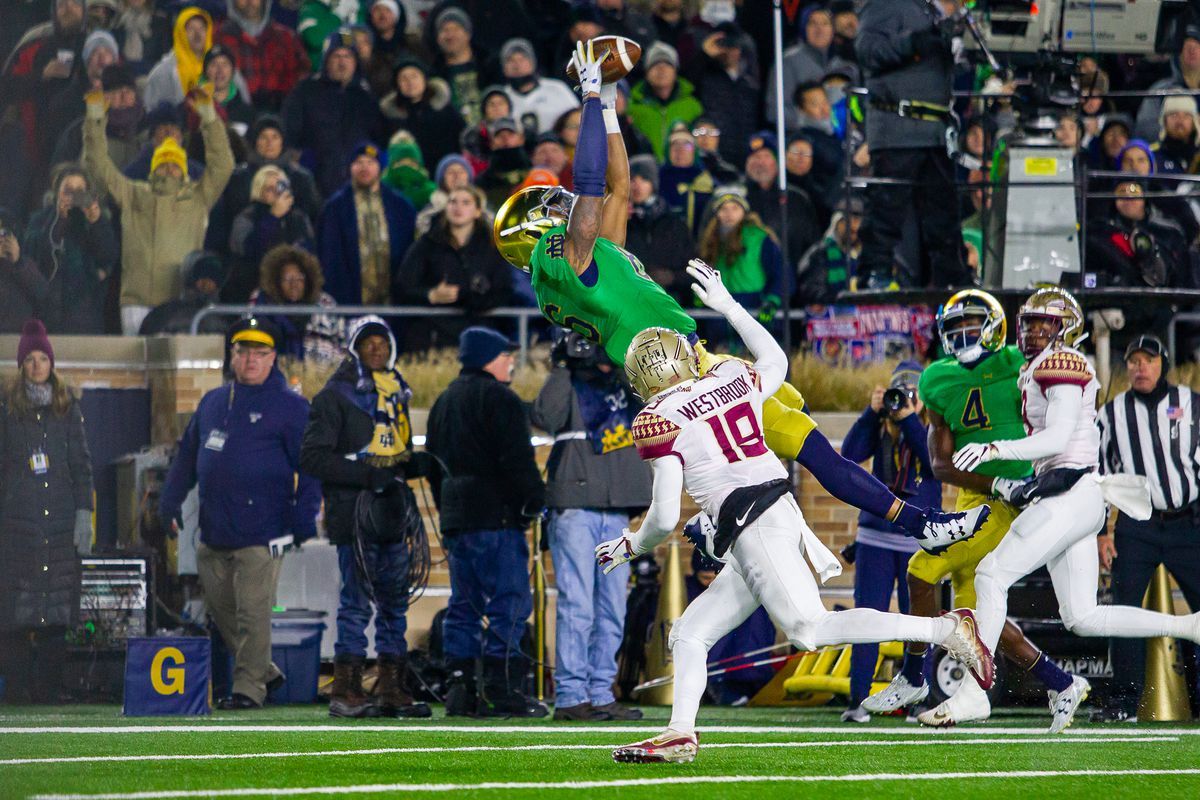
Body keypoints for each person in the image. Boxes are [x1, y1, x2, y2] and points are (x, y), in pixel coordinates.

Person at [493, 41, 987, 560]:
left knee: (807, 440)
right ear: (535, 235)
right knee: (795, 446)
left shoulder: (582, 262)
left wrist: (612, 102)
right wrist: (590, 98)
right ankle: (721, 530)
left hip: (696, 364)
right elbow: (591, 185)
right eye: (549, 207)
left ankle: (920, 524)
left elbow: (616, 188)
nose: (563, 205)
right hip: (686, 381)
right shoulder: (565, 260)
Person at [600, 261, 994, 764]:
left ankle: (945, 630)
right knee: (691, 633)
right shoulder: (727, 375)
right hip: (764, 516)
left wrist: (631, 544)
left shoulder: (657, 417)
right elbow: (775, 360)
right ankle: (680, 732)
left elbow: (661, 515)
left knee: (809, 629)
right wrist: (727, 306)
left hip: (756, 522)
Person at [950, 287, 1200, 733]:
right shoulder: (1036, 366)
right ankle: (1189, 626)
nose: (1031, 331)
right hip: (1075, 493)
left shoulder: (1060, 362)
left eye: (1043, 323)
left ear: (1065, 328)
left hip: (1072, 490)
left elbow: (1058, 438)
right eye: (1027, 322)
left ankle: (973, 692)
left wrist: (994, 448)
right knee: (1082, 616)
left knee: (991, 575)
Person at [864, 290, 1081, 730]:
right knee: (979, 622)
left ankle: (913, 676)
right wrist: (992, 480)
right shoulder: (937, 379)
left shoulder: (1020, 363)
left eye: (972, 324)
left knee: (920, 572)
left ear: (996, 325)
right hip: (974, 497)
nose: (963, 334)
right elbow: (941, 464)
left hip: (1012, 498)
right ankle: (1062, 682)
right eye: (954, 328)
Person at [159, 317, 321, 710]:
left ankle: (249, 689)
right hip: (214, 530)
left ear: (273, 359)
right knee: (219, 609)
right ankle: (264, 669)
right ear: (232, 356)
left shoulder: (292, 407)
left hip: (265, 532)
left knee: (253, 612)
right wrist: (169, 501)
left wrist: (304, 517)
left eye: (260, 353)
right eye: (243, 351)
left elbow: (312, 465)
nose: (250, 360)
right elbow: (186, 457)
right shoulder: (214, 402)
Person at [300, 315, 433, 719]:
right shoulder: (333, 397)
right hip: (353, 516)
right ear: (354, 348)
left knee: (394, 601)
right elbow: (312, 457)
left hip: (391, 512)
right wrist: (366, 475)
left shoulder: (397, 394)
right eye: (368, 342)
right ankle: (347, 688)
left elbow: (396, 453)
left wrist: (410, 467)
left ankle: (391, 686)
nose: (376, 349)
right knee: (356, 603)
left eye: (382, 343)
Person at [425, 326, 548, 718]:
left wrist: (449, 512)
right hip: (496, 517)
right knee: (509, 603)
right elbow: (517, 462)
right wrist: (534, 501)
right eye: (504, 355)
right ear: (486, 359)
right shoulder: (502, 400)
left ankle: (459, 688)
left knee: (463, 603)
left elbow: (432, 466)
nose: (511, 361)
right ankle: (502, 687)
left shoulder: (443, 402)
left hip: (457, 518)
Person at [531, 332, 651, 722]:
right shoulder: (568, 382)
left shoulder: (627, 385)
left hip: (616, 512)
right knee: (577, 605)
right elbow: (544, 417)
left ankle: (600, 692)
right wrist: (562, 366)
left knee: (612, 607)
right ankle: (570, 695)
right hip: (576, 509)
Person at [1095, 335, 1200, 722]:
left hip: (1187, 521)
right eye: (1134, 360)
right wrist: (1102, 532)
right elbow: (1101, 476)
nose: (1140, 367)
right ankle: (1123, 701)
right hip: (1136, 525)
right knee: (1122, 610)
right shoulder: (1110, 415)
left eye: (1148, 360)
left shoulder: (1192, 406)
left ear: (1163, 364)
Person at [84, 83, 234, 335]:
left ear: (184, 170)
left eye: (175, 165)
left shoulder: (198, 196)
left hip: (180, 302)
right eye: (163, 164)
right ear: (153, 168)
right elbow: (99, 167)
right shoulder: (133, 192)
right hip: (135, 301)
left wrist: (208, 115)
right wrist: (95, 116)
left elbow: (223, 165)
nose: (169, 169)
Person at [0, 320, 94, 703]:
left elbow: (81, 465)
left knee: (56, 611)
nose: (37, 365)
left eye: (43, 358)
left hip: (58, 523)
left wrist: (84, 515)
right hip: (17, 524)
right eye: (31, 358)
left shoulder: (68, 409)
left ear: (51, 363)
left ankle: (50, 689)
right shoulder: (7, 411)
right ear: (21, 364)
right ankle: (19, 690)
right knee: (15, 612)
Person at [839, 362, 937, 722]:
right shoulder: (880, 428)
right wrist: (871, 412)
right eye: (899, 391)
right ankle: (857, 700)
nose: (903, 399)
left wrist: (911, 419)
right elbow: (847, 456)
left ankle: (918, 700)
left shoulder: (930, 427)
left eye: (912, 393)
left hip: (918, 541)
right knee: (867, 617)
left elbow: (932, 463)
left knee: (920, 623)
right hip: (875, 538)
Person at [855, 0, 969, 290]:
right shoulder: (887, 5)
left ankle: (952, 282)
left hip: (935, 132)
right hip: (897, 128)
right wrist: (918, 41)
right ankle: (875, 275)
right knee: (886, 209)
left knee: (944, 216)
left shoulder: (935, 13)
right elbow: (868, 52)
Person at [396, 186, 512, 351]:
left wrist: (470, 299)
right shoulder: (426, 244)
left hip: (477, 337)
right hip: (432, 339)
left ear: (478, 211)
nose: (458, 207)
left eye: (466, 203)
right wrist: (431, 295)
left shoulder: (492, 248)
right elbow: (403, 286)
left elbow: (504, 290)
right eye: (452, 202)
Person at [282, 26, 388, 198]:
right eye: (336, 56)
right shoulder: (305, 91)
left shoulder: (366, 97)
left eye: (348, 56)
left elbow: (379, 140)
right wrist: (302, 161)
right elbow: (288, 132)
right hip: (314, 184)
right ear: (326, 60)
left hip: (357, 185)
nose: (342, 62)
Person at [22, 164, 118, 334]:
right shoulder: (40, 219)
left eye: (79, 191)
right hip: (47, 309)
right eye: (68, 190)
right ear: (56, 191)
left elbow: (109, 256)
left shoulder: (95, 220)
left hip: (86, 310)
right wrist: (60, 220)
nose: (73, 195)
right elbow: (33, 254)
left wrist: (96, 223)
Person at [316, 141, 416, 305]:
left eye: (370, 162)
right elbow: (329, 259)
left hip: (393, 302)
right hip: (349, 301)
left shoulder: (401, 207)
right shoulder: (334, 209)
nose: (364, 168)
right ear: (350, 167)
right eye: (358, 162)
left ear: (380, 167)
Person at [696, 188, 783, 345]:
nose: (729, 214)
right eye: (724, 209)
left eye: (735, 208)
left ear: (744, 212)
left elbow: (781, 273)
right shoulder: (711, 241)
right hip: (720, 311)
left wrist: (772, 300)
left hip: (753, 305)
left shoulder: (759, 238)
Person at [227, 164, 316, 301]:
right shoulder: (246, 217)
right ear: (259, 191)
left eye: (280, 187)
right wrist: (272, 217)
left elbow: (309, 253)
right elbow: (247, 250)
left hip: (294, 291)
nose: (276, 193)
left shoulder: (298, 217)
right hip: (255, 289)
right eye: (269, 189)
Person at [249, 244, 346, 364]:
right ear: (276, 281)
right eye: (287, 279)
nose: (294, 284)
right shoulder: (262, 303)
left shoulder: (325, 304)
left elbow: (342, 347)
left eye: (299, 278)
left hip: (319, 376)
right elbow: (248, 341)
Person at [214, 0, 311, 112]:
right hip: (235, 116)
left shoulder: (285, 37)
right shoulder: (219, 36)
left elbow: (303, 78)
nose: (249, 2)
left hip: (281, 116)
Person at [625, 154, 695, 305]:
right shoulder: (621, 222)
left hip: (670, 302)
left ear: (653, 183)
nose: (637, 186)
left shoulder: (674, 223)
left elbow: (693, 270)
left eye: (644, 179)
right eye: (632, 180)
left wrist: (671, 277)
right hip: (631, 302)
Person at [380, 59, 465, 169]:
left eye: (414, 76)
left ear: (424, 79)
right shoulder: (392, 117)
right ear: (397, 85)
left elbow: (463, 137)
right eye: (403, 78)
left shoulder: (443, 108)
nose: (410, 82)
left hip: (446, 172)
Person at [627, 41, 703, 162]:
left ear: (675, 71)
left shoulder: (693, 106)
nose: (661, 69)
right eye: (655, 64)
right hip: (646, 174)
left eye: (667, 64)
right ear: (646, 72)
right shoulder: (632, 107)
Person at [500, 38, 578, 138]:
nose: (517, 65)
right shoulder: (501, 97)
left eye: (522, 59)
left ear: (532, 63)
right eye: (511, 60)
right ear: (504, 68)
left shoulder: (556, 88)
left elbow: (577, 117)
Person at [139, 250, 232, 336]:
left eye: (213, 278)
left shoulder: (224, 317)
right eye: (202, 275)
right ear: (189, 277)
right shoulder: (163, 315)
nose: (207, 283)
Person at [143, 6, 213, 112]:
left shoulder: (221, 64)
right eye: (191, 29)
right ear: (179, 33)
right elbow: (150, 108)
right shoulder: (163, 72)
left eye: (202, 28)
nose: (197, 34)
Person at [796, 195, 862, 304]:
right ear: (836, 224)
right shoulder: (820, 253)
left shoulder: (869, 256)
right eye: (846, 221)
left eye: (856, 221)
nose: (852, 226)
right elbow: (811, 289)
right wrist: (839, 299)